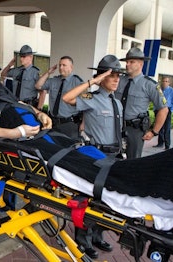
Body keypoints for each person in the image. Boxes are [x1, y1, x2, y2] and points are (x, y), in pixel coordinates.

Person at [0, 46, 173, 232]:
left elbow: (17, 103)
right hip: (16, 138)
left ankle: (134, 173)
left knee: (83, 152)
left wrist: (39, 113)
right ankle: (148, 177)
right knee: (74, 162)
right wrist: (16, 133)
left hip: (34, 128)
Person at [63, 55, 125, 258]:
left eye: (118, 76)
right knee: (88, 199)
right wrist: (93, 82)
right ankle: (83, 241)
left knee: (106, 202)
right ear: (101, 77)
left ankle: (98, 236)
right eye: (112, 76)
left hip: (114, 156)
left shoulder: (117, 103)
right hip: (95, 156)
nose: (116, 80)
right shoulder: (92, 98)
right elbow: (67, 98)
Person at [116, 47, 168, 159]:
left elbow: (163, 109)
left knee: (133, 161)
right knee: (112, 158)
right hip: (115, 125)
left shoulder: (150, 85)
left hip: (135, 130)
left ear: (140, 64)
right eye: (127, 62)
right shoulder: (119, 80)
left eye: (131, 62)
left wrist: (154, 131)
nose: (127, 64)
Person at [35, 56, 84, 139]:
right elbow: (38, 86)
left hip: (69, 124)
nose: (61, 68)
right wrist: (48, 72)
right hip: (52, 122)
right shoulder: (54, 80)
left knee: (67, 148)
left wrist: (83, 124)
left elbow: (85, 104)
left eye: (64, 65)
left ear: (71, 67)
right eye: (60, 65)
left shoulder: (77, 82)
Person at [153, 76, 173, 150]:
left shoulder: (172, 91)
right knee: (160, 127)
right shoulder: (159, 90)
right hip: (159, 109)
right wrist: (155, 109)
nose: (164, 83)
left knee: (167, 128)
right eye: (163, 81)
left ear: (169, 83)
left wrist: (171, 110)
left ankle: (167, 145)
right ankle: (160, 143)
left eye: (166, 81)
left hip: (167, 110)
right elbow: (155, 100)